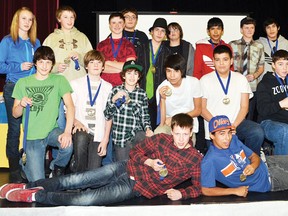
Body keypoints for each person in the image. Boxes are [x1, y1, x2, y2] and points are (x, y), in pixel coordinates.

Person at [0, 113, 202, 206]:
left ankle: (36, 196)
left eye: (185, 134)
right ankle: (30, 186)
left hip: (136, 187)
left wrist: (182, 194)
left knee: (85, 199)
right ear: (172, 131)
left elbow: (198, 187)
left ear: (191, 132)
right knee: (77, 180)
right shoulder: (161, 139)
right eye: (177, 134)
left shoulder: (194, 159)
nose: (181, 139)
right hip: (126, 167)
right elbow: (135, 153)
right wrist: (148, 162)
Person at [11, 46, 74, 182]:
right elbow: (15, 114)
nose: (44, 66)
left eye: (48, 62)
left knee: (67, 144)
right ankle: (24, 163)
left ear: (52, 64)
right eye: (41, 62)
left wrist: (67, 132)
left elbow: (70, 106)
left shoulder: (59, 80)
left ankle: (56, 168)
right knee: (39, 184)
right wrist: (21, 104)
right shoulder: (23, 83)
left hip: (52, 131)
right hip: (32, 136)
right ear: (35, 63)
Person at [201, 115, 288, 197]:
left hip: (268, 162)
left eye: (229, 133)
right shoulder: (209, 160)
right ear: (211, 135)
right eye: (222, 134)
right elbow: (206, 190)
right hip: (268, 181)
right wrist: (234, 191)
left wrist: (253, 166)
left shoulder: (233, 140)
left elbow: (254, 156)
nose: (227, 138)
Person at [0, 7, 41, 183]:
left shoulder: (35, 42)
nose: (27, 22)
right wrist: (18, 67)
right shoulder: (7, 41)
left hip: (32, 88)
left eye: (30, 19)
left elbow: (42, 64)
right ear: (17, 20)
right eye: (24, 18)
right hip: (14, 87)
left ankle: (31, 165)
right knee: (15, 129)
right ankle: (15, 169)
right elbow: (0, 66)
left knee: (33, 129)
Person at [200, 44, 264, 155]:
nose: (221, 63)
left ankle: (251, 161)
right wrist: (220, 126)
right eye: (217, 60)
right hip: (215, 128)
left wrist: (232, 126)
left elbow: (244, 107)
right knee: (222, 165)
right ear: (213, 62)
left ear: (231, 61)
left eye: (225, 59)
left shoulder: (240, 79)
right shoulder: (204, 80)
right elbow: (202, 108)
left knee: (256, 131)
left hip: (236, 125)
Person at [43, 5, 93, 130]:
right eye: (65, 17)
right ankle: (62, 149)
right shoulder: (50, 39)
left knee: (80, 123)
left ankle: (78, 149)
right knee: (59, 124)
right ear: (59, 19)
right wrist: (55, 67)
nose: (69, 20)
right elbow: (42, 62)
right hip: (57, 88)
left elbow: (92, 61)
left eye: (72, 17)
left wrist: (80, 57)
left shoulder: (82, 38)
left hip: (79, 88)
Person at [193, 17, 232, 154]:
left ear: (222, 31)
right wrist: (197, 90)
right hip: (205, 89)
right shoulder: (201, 46)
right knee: (203, 119)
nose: (215, 32)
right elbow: (197, 70)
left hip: (223, 90)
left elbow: (230, 70)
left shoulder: (227, 47)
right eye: (212, 29)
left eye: (218, 28)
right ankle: (203, 150)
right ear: (208, 31)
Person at [69, 50, 112, 172]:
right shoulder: (75, 84)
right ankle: (77, 173)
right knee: (82, 137)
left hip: (98, 134)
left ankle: (84, 179)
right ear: (86, 66)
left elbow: (109, 116)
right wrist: (76, 122)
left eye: (99, 62)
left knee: (93, 175)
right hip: (81, 129)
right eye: (92, 62)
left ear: (103, 67)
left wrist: (105, 140)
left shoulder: (108, 87)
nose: (96, 65)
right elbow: (67, 109)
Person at [104, 60, 153, 161]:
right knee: (123, 168)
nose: (132, 76)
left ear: (139, 77)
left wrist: (148, 128)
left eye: (135, 73)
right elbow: (107, 115)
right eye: (129, 73)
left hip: (136, 134)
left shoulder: (142, 94)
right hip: (120, 137)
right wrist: (114, 100)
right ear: (123, 76)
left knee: (141, 158)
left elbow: (145, 116)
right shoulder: (115, 90)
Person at [154, 54, 202, 145]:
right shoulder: (162, 88)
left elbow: (198, 110)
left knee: (186, 154)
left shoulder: (193, 82)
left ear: (182, 71)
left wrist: (175, 118)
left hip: (187, 125)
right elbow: (162, 122)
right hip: (170, 127)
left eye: (176, 71)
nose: (172, 75)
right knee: (158, 132)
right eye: (168, 71)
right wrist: (162, 99)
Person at [137, 17, 172, 130]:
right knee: (140, 126)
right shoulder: (140, 47)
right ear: (151, 32)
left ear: (165, 34)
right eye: (157, 30)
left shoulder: (168, 52)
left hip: (158, 94)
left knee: (155, 126)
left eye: (162, 31)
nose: (159, 33)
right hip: (141, 90)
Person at [229, 17, 265, 121]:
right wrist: (237, 76)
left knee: (249, 117)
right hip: (235, 86)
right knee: (235, 115)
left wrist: (254, 75)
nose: (249, 30)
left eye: (252, 28)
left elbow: (261, 67)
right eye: (246, 27)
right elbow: (228, 65)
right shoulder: (232, 44)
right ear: (241, 30)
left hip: (252, 87)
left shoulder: (259, 46)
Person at [256, 49, 288, 155]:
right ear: (273, 65)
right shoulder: (264, 83)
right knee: (284, 131)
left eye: (287, 64)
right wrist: (281, 104)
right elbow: (262, 110)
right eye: (280, 64)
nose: (285, 68)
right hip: (269, 122)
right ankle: (281, 169)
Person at [97, 12, 137, 87]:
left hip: (123, 86)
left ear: (124, 24)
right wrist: (122, 69)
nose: (117, 25)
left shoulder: (129, 45)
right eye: (114, 22)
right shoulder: (101, 45)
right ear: (109, 25)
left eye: (120, 22)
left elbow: (130, 67)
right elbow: (99, 67)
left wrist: (108, 63)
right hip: (104, 86)